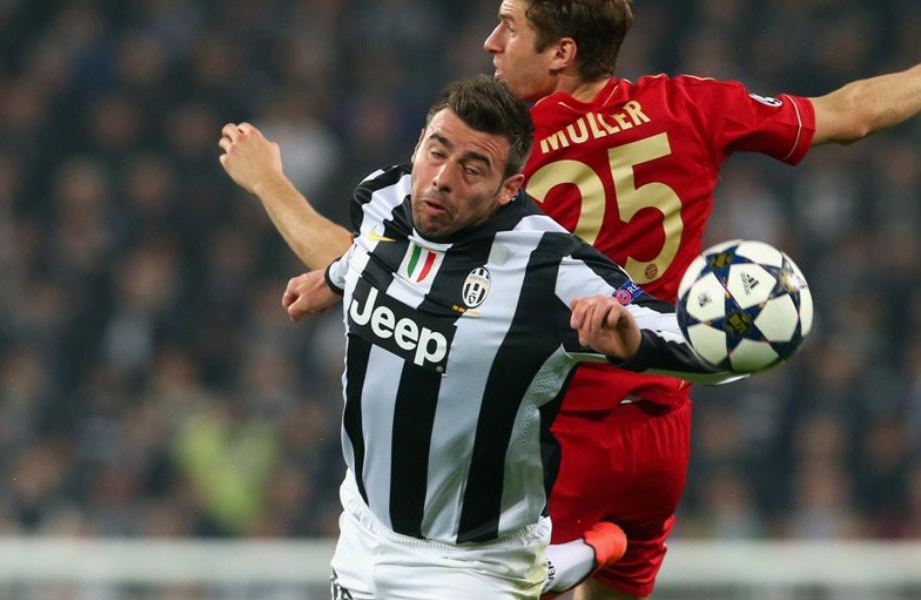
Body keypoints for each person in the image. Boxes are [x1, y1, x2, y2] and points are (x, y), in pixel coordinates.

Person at [220, 3, 921, 597]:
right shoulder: (693, 105)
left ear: (561, 54)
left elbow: (380, 267)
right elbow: (846, 117)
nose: (492, 45)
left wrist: (278, 197)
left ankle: (580, 550)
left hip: (554, 438)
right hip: (663, 422)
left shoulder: (503, 173)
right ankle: (606, 547)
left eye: (509, 29)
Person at [227, 75, 740, 598]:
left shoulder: (551, 267)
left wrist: (631, 343)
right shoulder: (386, 196)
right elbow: (372, 251)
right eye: (436, 152)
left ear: (509, 189)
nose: (442, 179)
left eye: (473, 170)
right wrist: (335, 276)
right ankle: (582, 552)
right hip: (361, 533)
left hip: (473, 567)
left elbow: (695, 340)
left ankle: (568, 557)